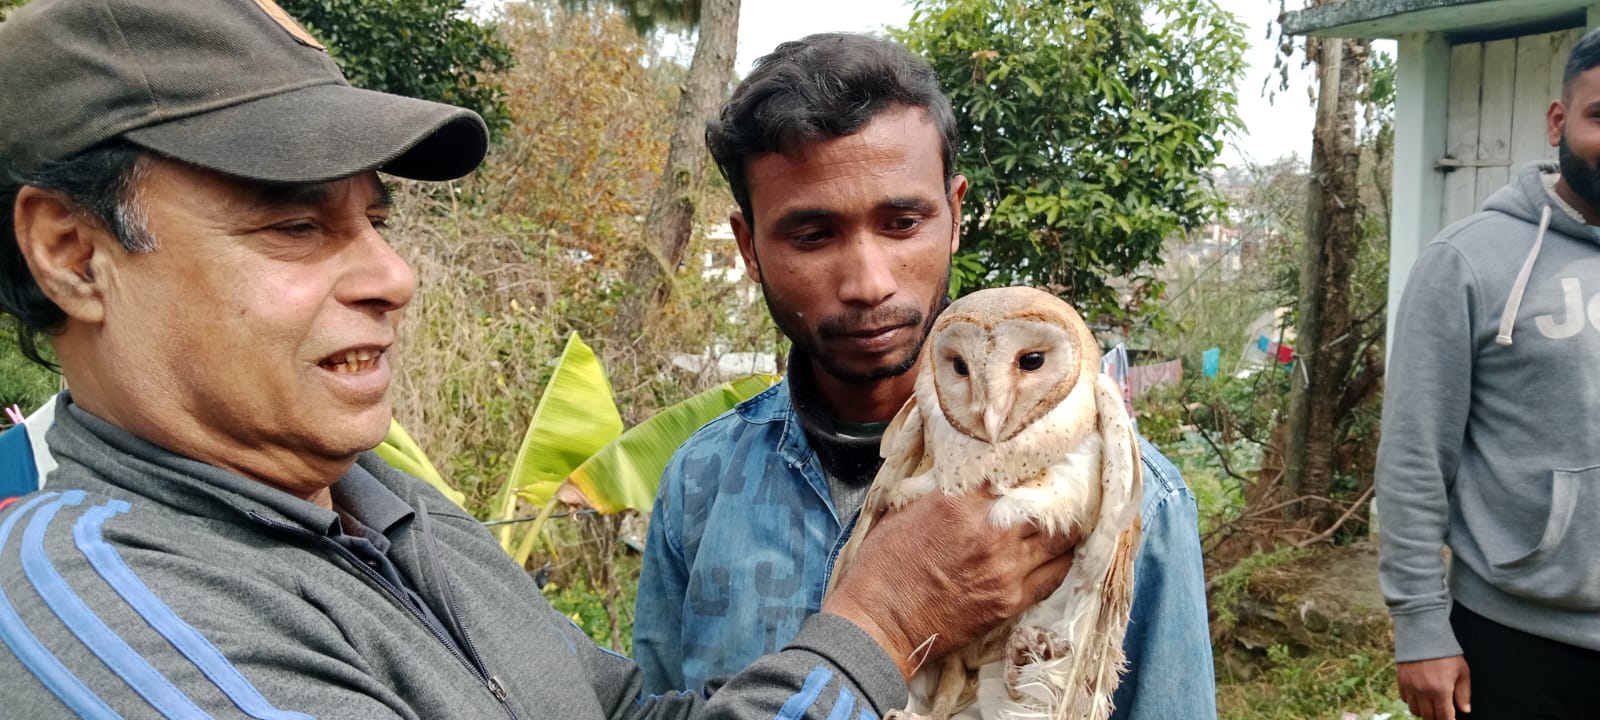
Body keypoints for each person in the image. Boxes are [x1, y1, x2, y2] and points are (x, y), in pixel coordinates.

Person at [0, 1, 1078, 717]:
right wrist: (879, 622)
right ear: (73, 254)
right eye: (294, 228)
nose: (392, 276)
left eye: (376, 218)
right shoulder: (102, 608)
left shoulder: (390, 516)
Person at [633, 33, 1218, 720]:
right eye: (812, 235)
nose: (868, 282)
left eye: (902, 222)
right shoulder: (701, 485)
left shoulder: (1131, 498)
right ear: (748, 247)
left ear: (955, 215)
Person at [1378, 26, 1600, 720]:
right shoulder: (1468, 262)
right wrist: (1419, 626)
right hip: (1518, 642)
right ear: (1559, 122)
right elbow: (1415, 457)